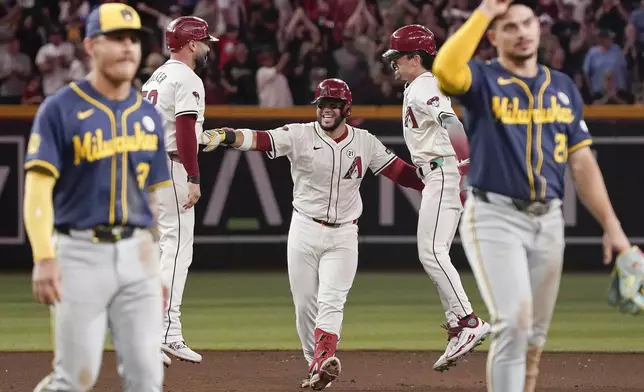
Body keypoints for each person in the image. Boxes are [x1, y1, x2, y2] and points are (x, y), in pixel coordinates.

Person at [431, 1, 632, 391]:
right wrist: (486, 11)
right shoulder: (483, 80)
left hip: (549, 220)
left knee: (535, 338)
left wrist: (614, 229)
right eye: (509, 27)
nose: (522, 32)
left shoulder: (562, 87)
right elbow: (444, 70)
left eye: (527, 23)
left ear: (539, 30)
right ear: (494, 36)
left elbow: (582, 162)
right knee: (514, 321)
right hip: (495, 217)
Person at [199, 78, 426, 390]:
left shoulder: (365, 141)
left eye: (332, 104)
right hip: (304, 228)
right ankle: (316, 362)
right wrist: (226, 136)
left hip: (344, 235)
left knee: (332, 300)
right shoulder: (300, 134)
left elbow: (399, 172)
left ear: (346, 108)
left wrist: (435, 181)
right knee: (305, 302)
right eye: (322, 104)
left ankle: (324, 357)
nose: (326, 110)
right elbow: (260, 139)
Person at [25, 3, 171, 392]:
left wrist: (155, 264)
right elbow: (37, 187)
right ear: (90, 46)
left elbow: (152, 198)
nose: (128, 47)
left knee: (147, 378)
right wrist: (44, 255)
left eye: (135, 39)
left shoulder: (148, 115)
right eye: (117, 38)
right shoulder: (60, 108)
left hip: (138, 253)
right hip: (79, 254)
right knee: (74, 379)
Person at [381, 24, 491, 372]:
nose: (394, 64)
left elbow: (452, 124)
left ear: (415, 57)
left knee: (431, 251)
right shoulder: (418, 86)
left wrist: (465, 166)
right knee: (433, 251)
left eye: (398, 57)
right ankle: (458, 324)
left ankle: (469, 322)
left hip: (444, 171)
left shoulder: (425, 85)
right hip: (437, 172)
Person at [141, 15, 217, 367]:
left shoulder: (157, 76)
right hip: (171, 167)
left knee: (158, 251)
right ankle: (167, 333)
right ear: (190, 44)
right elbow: (184, 128)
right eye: (203, 42)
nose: (206, 48)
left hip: (147, 166)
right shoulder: (188, 77)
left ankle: (147, 334)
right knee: (176, 249)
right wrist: (194, 175)